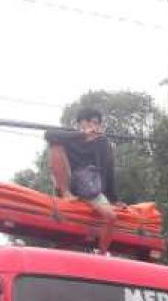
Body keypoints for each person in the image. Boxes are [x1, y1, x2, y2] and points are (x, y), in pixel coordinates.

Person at [45, 106, 119, 253]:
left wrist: (114, 199)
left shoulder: (102, 143)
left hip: (89, 186)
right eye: (91, 122)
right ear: (81, 123)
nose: (95, 127)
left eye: (97, 123)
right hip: (69, 182)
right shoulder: (70, 136)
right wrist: (81, 135)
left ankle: (102, 253)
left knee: (111, 217)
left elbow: (108, 170)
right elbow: (49, 134)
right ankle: (66, 193)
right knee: (55, 145)